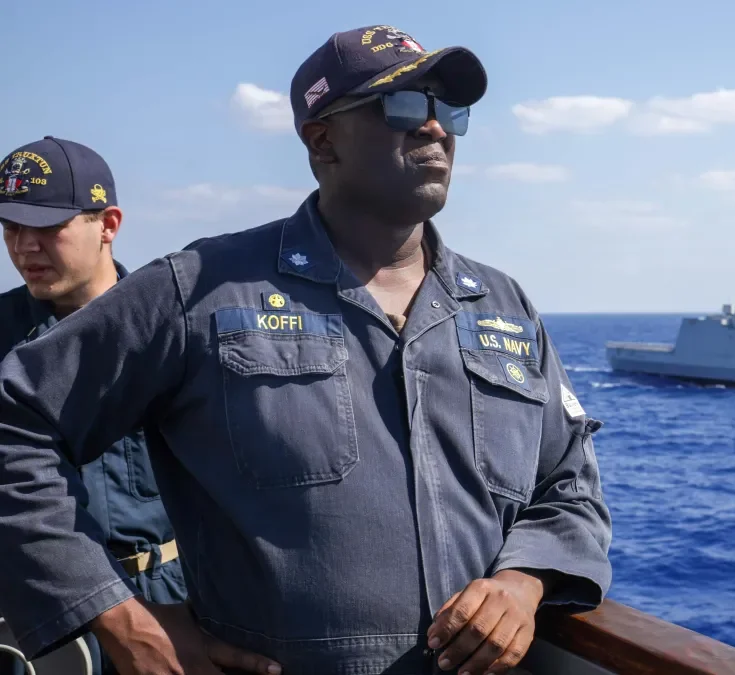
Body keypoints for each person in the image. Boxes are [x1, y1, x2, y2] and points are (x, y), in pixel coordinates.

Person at [0, 24, 612, 675]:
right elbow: (16, 423)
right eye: (404, 105)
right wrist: (120, 616)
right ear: (322, 140)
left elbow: (568, 483)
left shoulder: (503, 306)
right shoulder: (199, 290)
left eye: (448, 109)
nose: (435, 128)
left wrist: (523, 580)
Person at [0, 137, 189, 674]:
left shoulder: (174, 331)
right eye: (10, 227)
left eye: (46, 227)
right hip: (33, 625)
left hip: (172, 606)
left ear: (107, 224)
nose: (24, 246)